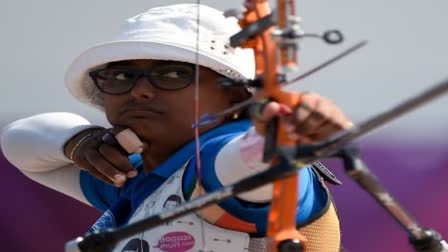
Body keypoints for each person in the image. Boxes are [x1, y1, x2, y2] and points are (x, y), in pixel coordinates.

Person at [0, 4, 352, 252]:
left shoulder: (218, 156)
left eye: (173, 74)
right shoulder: (131, 174)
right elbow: (18, 141)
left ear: (235, 96)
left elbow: (248, 167)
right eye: (122, 76)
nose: (140, 90)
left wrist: (280, 137)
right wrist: (79, 141)